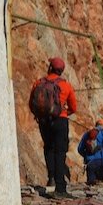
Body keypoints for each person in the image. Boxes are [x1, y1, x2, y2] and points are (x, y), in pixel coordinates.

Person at [29, 56, 78, 197]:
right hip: (60, 121)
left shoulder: (39, 83)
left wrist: (41, 115)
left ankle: (51, 178)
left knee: (48, 148)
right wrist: (63, 112)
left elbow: (31, 104)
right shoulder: (66, 86)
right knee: (60, 152)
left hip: (44, 121)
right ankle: (60, 188)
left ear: (50, 67)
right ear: (61, 71)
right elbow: (74, 107)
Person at [79, 118, 103, 185]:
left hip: (91, 163)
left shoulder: (88, 134)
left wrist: (86, 155)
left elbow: (80, 149)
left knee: (91, 184)